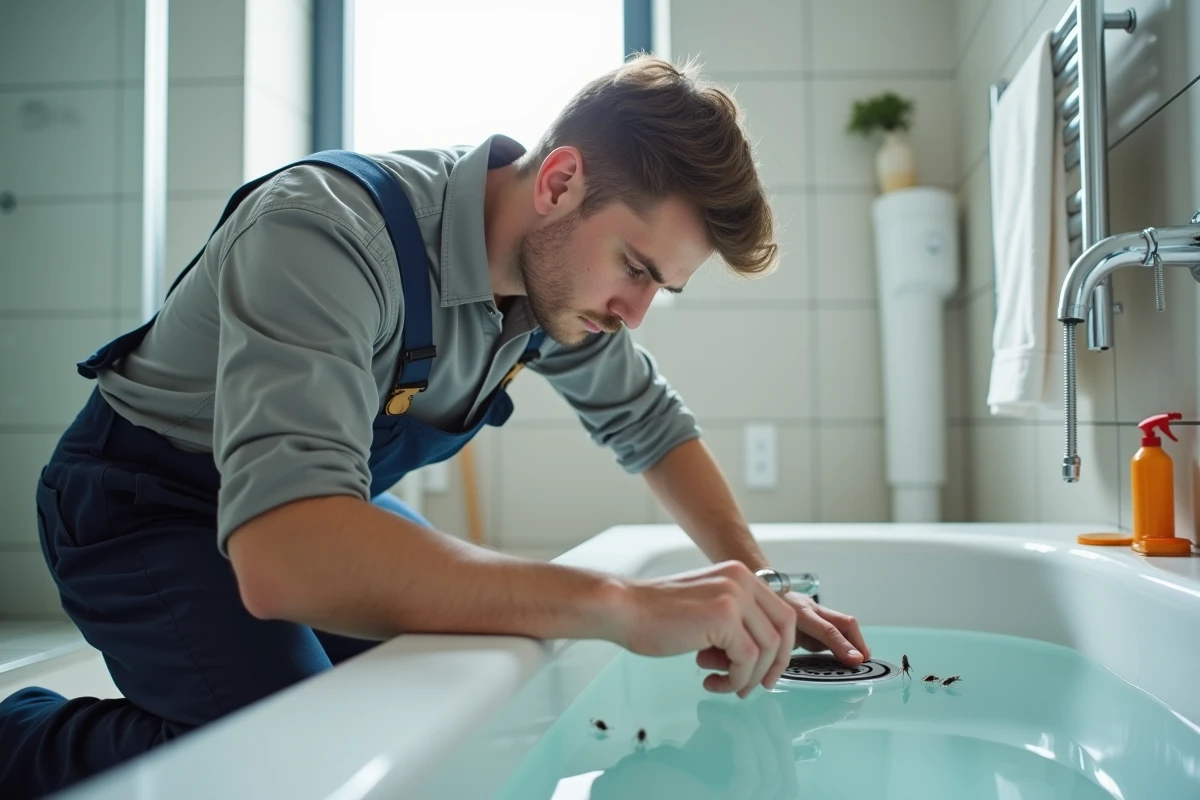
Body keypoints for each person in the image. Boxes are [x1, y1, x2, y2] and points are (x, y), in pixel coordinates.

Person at [0, 54, 869, 798]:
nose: (636, 314)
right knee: (310, 764)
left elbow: (649, 424)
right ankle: (19, 742)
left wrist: (762, 587)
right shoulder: (325, 232)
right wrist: (620, 605)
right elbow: (285, 558)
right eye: (636, 269)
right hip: (145, 505)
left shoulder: (556, 289)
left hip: (310, 509)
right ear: (560, 182)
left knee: (461, 706)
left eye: (660, 289)